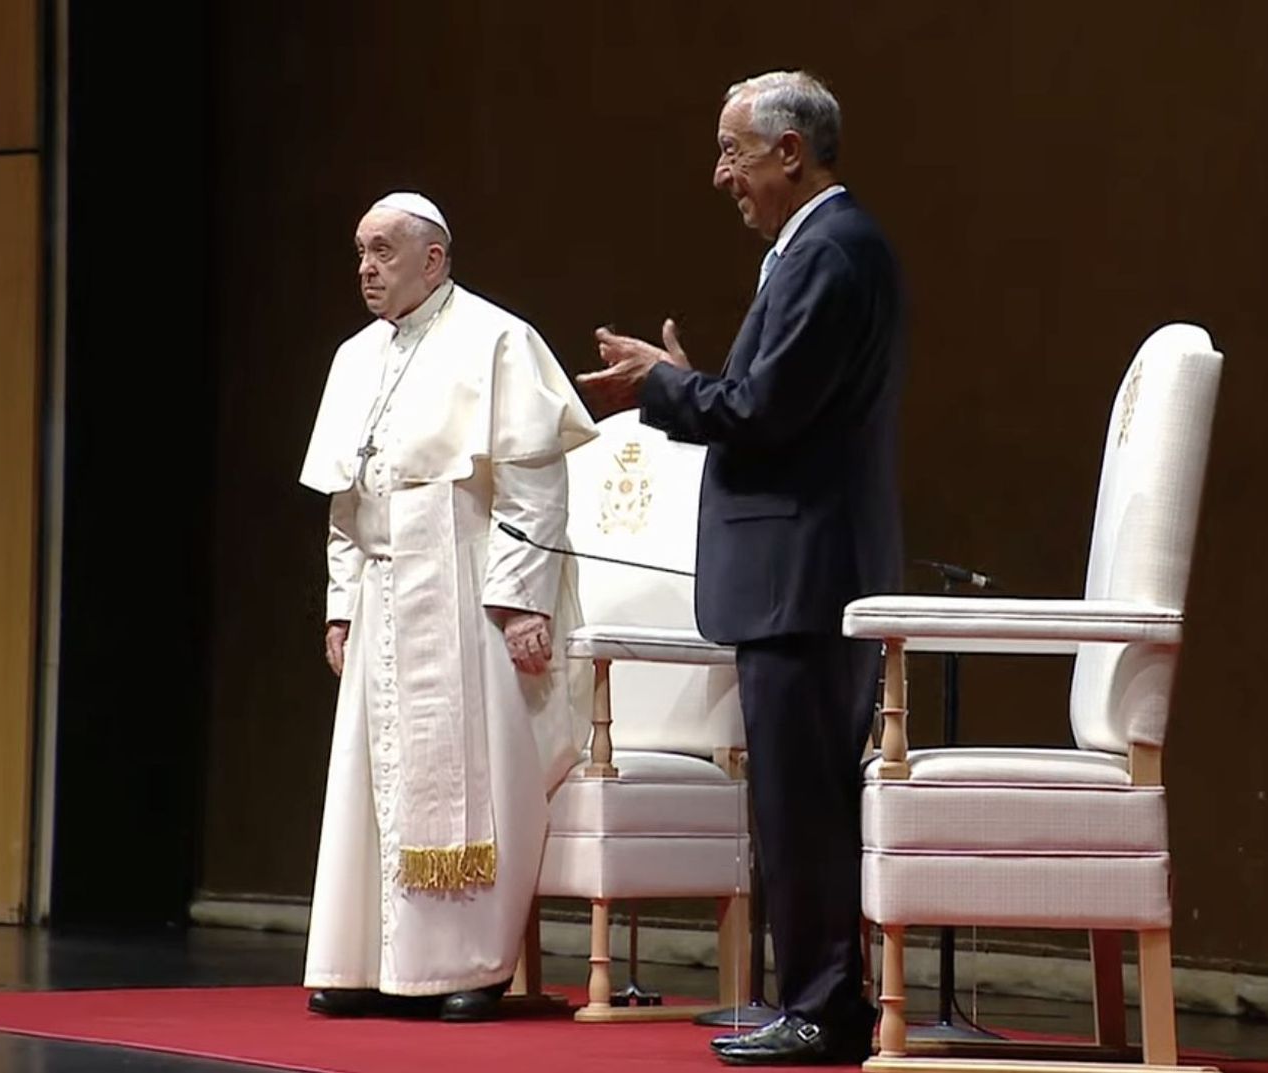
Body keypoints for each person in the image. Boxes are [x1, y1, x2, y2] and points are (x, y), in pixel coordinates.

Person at [580, 72, 905, 1066]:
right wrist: (691, 379)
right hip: (793, 567)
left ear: (790, 151)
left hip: (804, 570)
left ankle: (822, 1003)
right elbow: (766, 397)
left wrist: (668, 385)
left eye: (733, 151)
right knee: (791, 799)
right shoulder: (804, 251)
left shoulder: (832, 251)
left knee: (804, 801)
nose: (720, 174)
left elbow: (766, 413)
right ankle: (808, 992)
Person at [298, 192, 596, 1022]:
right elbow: (343, 504)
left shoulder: (497, 339)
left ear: (435, 258)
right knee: (369, 778)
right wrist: (340, 607)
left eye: (385, 251)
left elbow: (535, 488)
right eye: (360, 251)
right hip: (383, 593)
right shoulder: (354, 357)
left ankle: (469, 961)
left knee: (475, 774)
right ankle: (363, 959)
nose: (366, 267)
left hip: (468, 591)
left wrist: (520, 600)